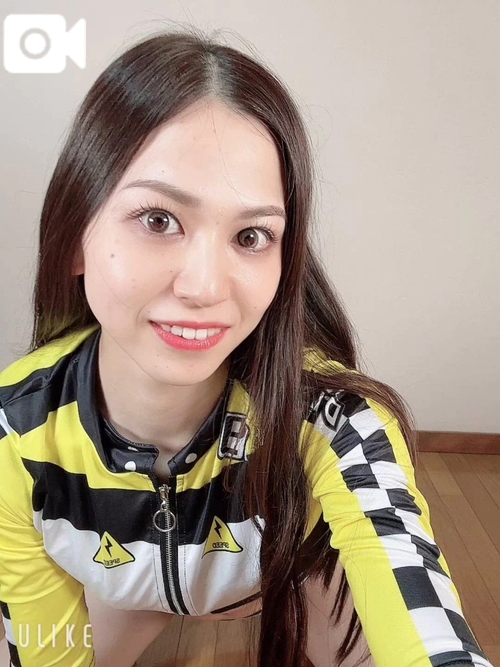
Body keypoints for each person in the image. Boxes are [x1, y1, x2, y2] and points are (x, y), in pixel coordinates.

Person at [0, 25, 494, 667]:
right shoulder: (14, 433)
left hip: (289, 574)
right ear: (74, 237)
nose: (205, 287)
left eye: (251, 236)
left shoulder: (335, 421)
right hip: (122, 584)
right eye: (158, 220)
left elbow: (423, 615)